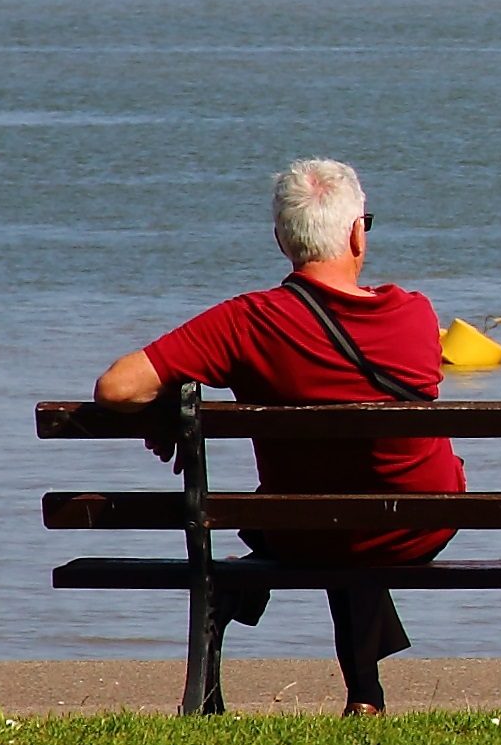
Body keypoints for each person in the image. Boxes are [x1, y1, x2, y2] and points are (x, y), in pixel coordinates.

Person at [94, 157, 460, 711]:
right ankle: (364, 696)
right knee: (356, 509)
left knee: (331, 514)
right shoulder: (414, 314)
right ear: (357, 234)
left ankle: (260, 612)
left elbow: (117, 388)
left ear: (280, 239)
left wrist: (171, 404)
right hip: (420, 525)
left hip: (304, 531)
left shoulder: (246, 322)